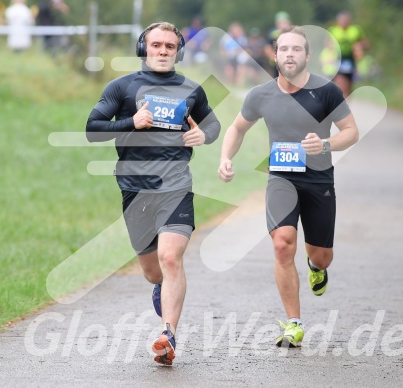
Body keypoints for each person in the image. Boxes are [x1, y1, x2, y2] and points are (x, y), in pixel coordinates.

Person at [85, 22, 221, 365]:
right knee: (152, 270)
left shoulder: (192, 90)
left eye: (169, 46)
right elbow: (93, 129)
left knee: (171, 257)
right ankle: (160, 287)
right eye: (156, 45)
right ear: (143, 48)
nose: (162, 51)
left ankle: (168, 334)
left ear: (178, 51)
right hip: (134, 189)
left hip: (176, 186)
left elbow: (213, 125)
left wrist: (202, 136)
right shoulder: (122, 87)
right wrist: (131, 122)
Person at [218, 27, 359, 348]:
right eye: (284, 49)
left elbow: (351, 131)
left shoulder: (326, 91)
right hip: (281, 178)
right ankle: (294, 323)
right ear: (275, 55)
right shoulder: (261, 95)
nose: (290, 54)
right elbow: (237, 128)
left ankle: (315, 268)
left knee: (322, 256)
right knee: (282, 244)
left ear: (307, 56)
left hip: (319, 180)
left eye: (296, 49)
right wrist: (226, 157)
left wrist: (324, 144)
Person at [327, 12, 368, 98]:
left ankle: (346, 100)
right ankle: (340, 101)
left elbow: (365, 43)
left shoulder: (356, 30)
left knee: (349, 86)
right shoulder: (333, 30)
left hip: (351, 60)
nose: (344, 22)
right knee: (340, 82)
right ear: (338, 21)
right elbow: (328, 44)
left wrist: (359, 47)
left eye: (346, 20)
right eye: (342, 20)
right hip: (338, 59)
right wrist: (331, 52)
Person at [264, 11, 292, 78]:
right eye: (280, 23)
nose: (282, 25)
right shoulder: (273, 33)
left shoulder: (293, 32)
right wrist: (272, 57)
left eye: (284, 23)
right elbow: (267, 47)